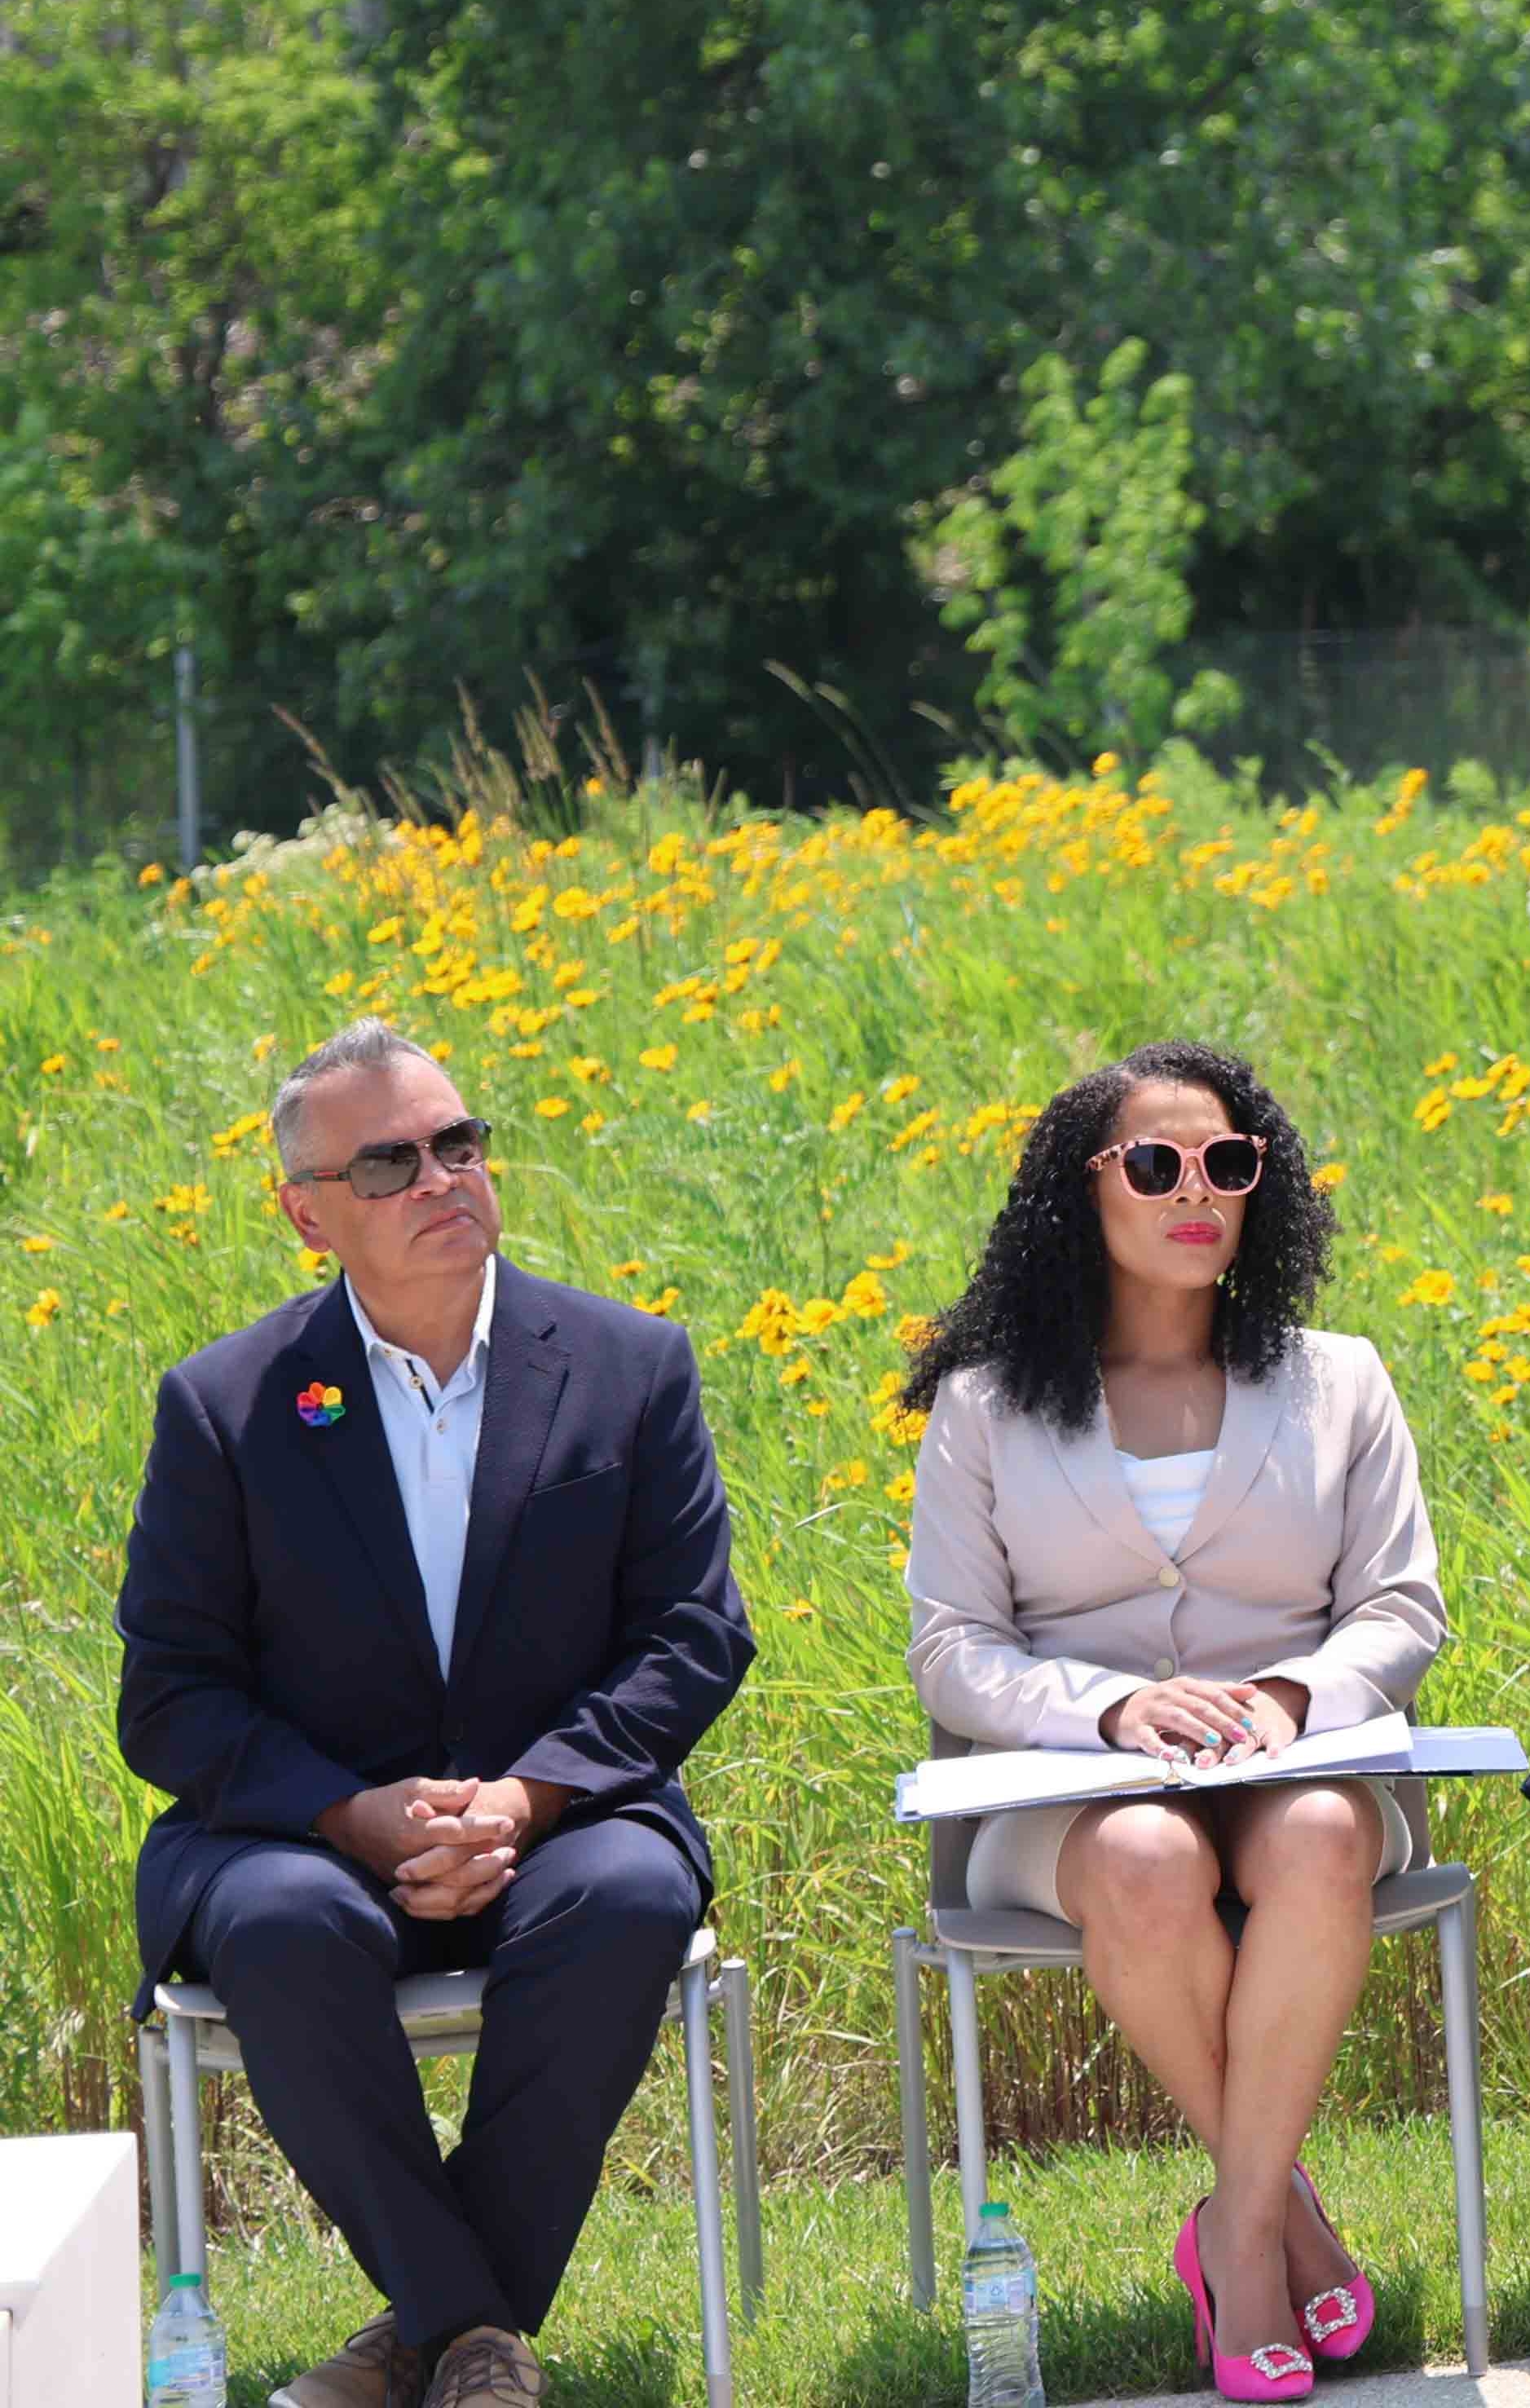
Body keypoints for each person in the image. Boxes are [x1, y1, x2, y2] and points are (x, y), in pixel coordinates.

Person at [117, 1019, 752, 2408]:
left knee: (635, 1894)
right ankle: (471, 2333)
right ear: (307, 1215)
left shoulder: (630, 1366)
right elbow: (168, 1695)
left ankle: (426, 2340)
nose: (441, 1177)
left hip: (562, 1819)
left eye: (458, 1142)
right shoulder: (228, 1407)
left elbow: (696, 1634)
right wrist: (350, 1811)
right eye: (391, 1161)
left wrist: (529, 1796)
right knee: (282, 1926)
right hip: (309, 1832)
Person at [903, 1043, 1444, 2405]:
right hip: (1066, 1798)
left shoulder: (1343, 1378)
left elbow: (1400, 1608)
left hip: (1297, 1766)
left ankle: (1237, 2234)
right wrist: (1113, 1706)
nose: (1195, 1190)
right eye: (1155, 1165)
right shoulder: (982, 1406)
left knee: (1321, 1838)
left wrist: (1287, 1696)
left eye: (1228, 1163)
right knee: (1149, 1859)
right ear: (1079, 1194)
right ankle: (1276, 2235)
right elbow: (952, 1649)